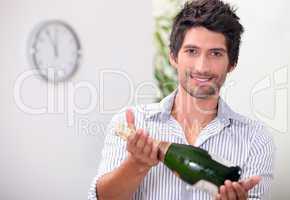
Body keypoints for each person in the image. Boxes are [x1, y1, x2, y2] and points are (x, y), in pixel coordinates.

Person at [88, 0, 275, 199]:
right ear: (174, 56)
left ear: (232, 63)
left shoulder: (255, 139)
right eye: (192, 51)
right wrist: (136, 164)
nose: (202, 66)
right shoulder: (131, 123)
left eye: (216, 53)